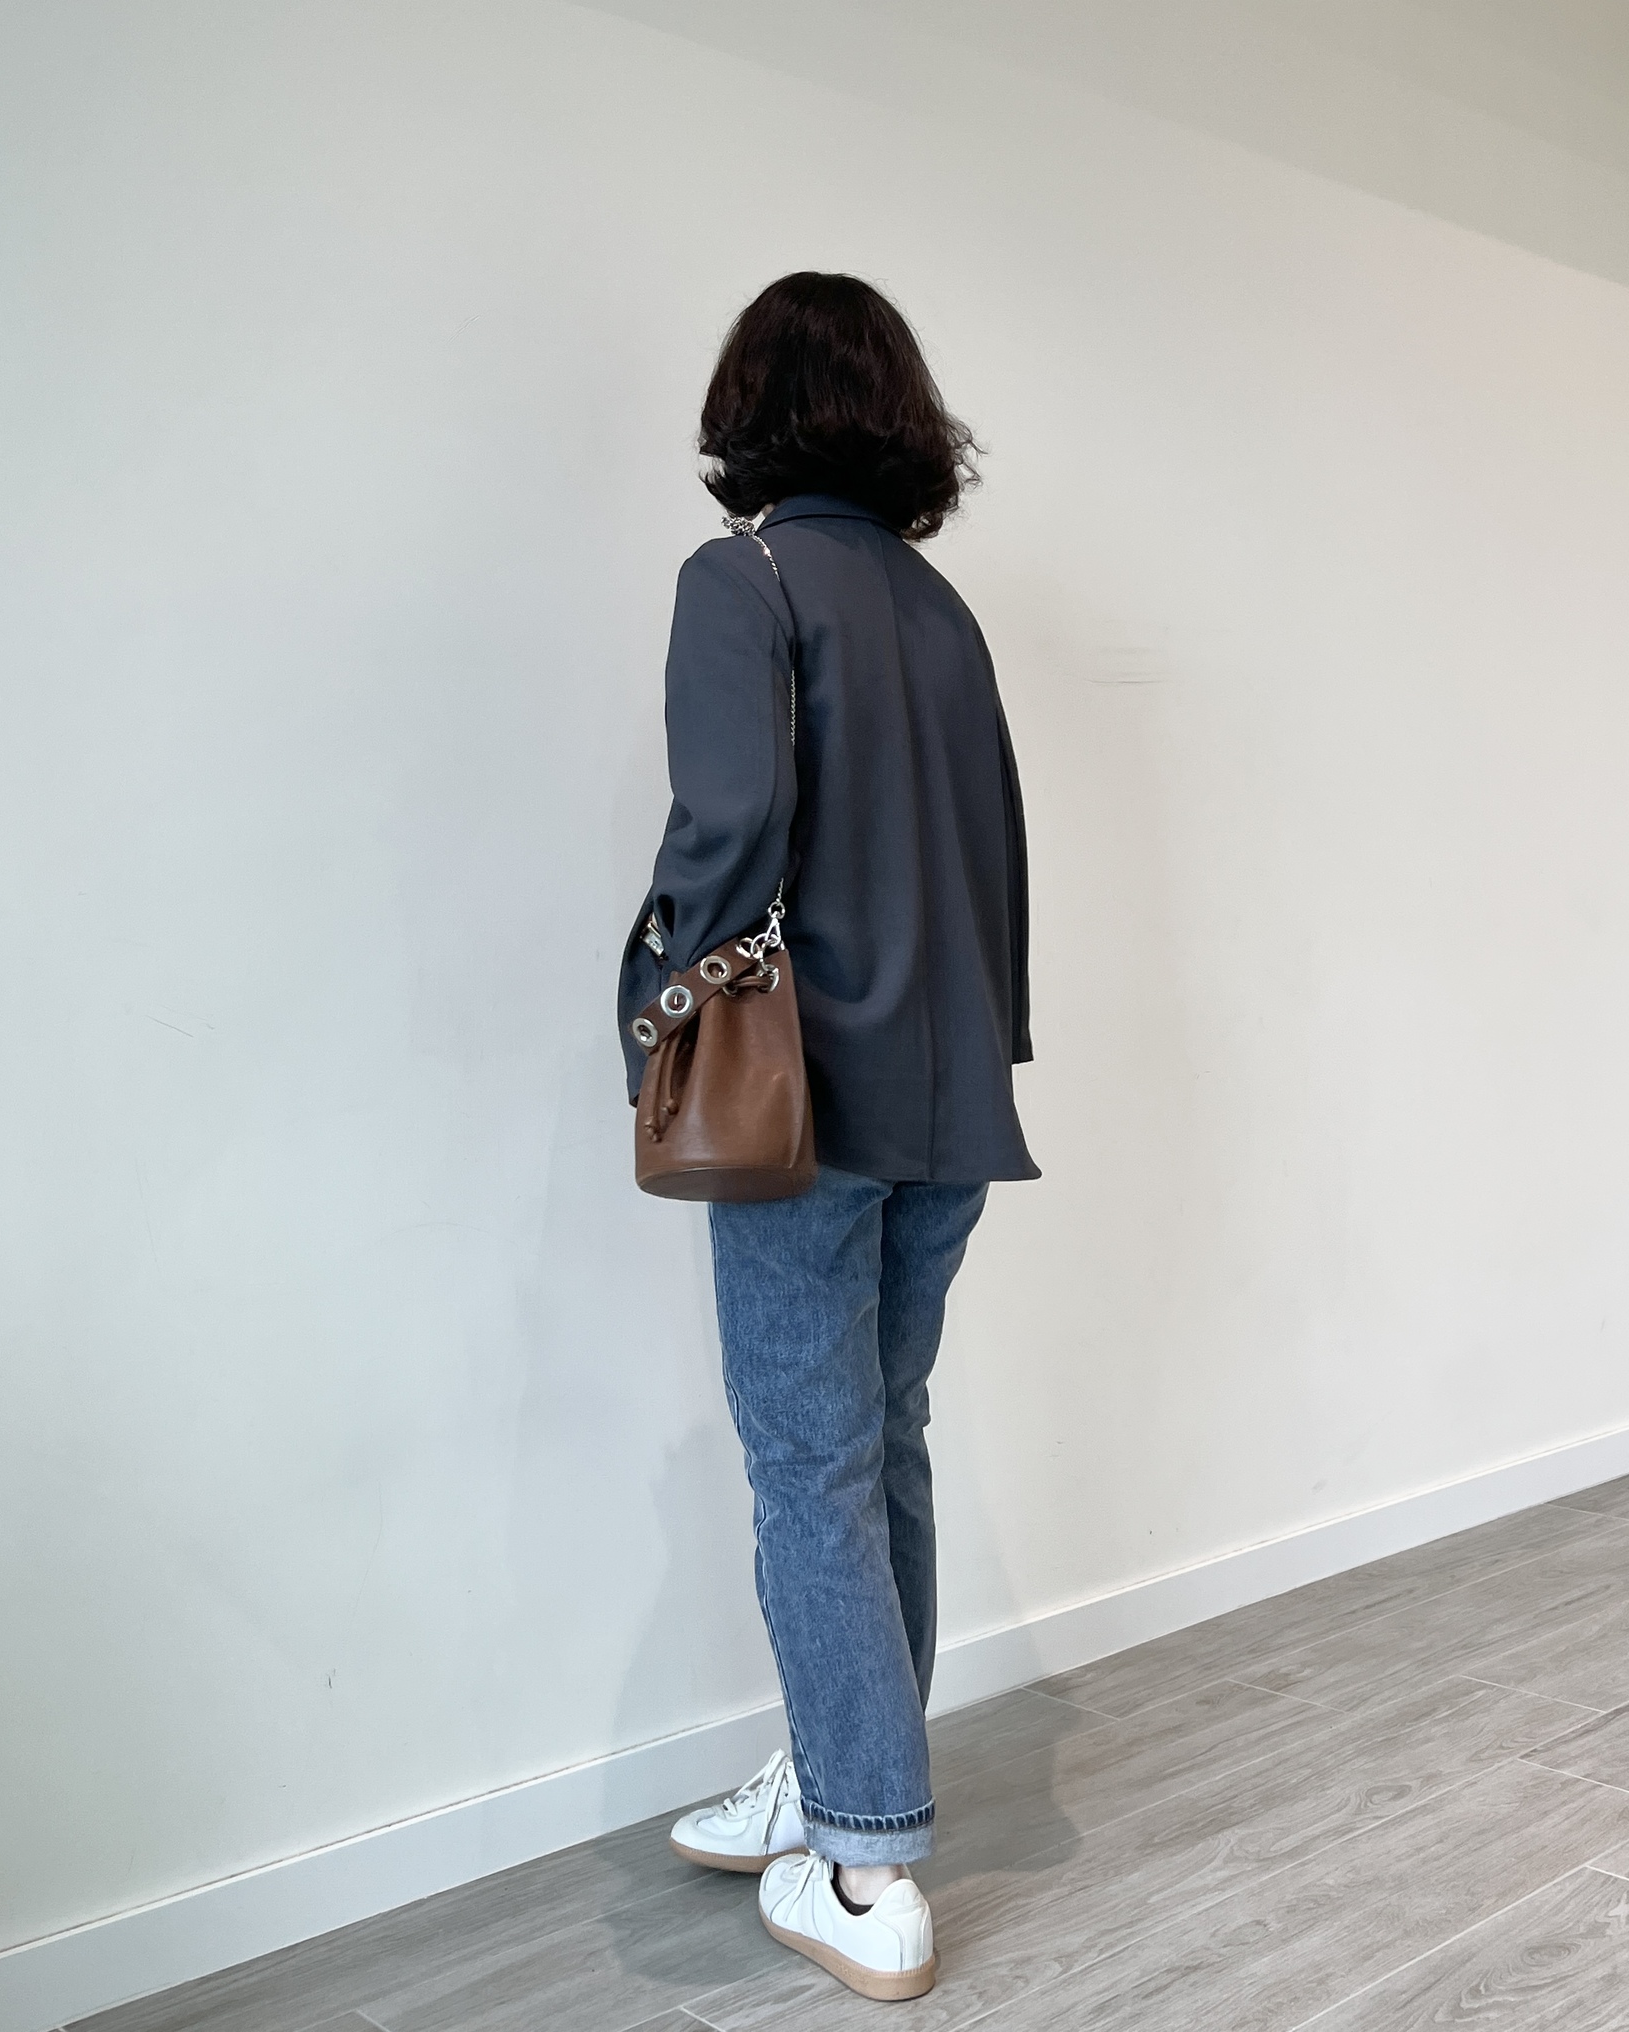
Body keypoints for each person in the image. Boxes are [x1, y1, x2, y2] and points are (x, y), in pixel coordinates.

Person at [618, 272, 1037, 2003]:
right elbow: (1000, 858)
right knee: (884, 1445)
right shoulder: (944, 614)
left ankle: (864, 1864)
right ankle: (839, 1770)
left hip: (806, 1107)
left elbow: (726, 831)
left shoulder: (746, 581)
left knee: (813, 1466)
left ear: (751, 406)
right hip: (954, 1101)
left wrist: (653, 1005)